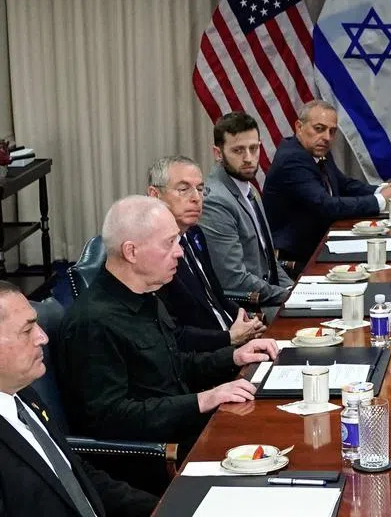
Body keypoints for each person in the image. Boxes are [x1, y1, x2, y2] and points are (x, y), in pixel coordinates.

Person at [57, 196, 279, 450]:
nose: (180, 252)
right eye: (169, 243)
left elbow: (172, 366)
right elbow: (110, 417)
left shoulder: (147, 295)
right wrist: (202, 400)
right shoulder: (93, 323)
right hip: (160, 456)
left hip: (188, 429)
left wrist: (234, 357)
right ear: (131, 252)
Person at [0, 281, 157, 517]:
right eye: (27, 330)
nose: (42, 337)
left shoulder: (23, 394)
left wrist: (167, 506)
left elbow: (74, 474)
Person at [262, 99, 391, 265]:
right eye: (319, 129)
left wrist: (379, 190)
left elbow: (343, 184)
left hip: (320, 243)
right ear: (299, 127)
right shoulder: (293, 159)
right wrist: (379, 200)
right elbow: (326, 205)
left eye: (332, 131)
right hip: (296, 258)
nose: (327, 137)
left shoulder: (317, 151)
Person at [146, 155, 265, 347]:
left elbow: (214, 294)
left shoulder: (194, 233)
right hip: (205, 357)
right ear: (154, 195)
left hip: (233, 340)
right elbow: (172, 335)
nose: (196, 198)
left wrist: (245, 318)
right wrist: (229, 338)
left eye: (200, 189)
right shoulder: (151, 254)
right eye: (183, 189)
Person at [200, 113, 294, 306]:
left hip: (269, 296)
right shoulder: (215, 201)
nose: (248, 158)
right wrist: (290, 297)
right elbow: (233, 278)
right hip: (250, 309)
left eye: (254, 148)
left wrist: (292, 289)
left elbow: (268, 261)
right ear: (218, 153)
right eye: (238, 150)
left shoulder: (247, 187)